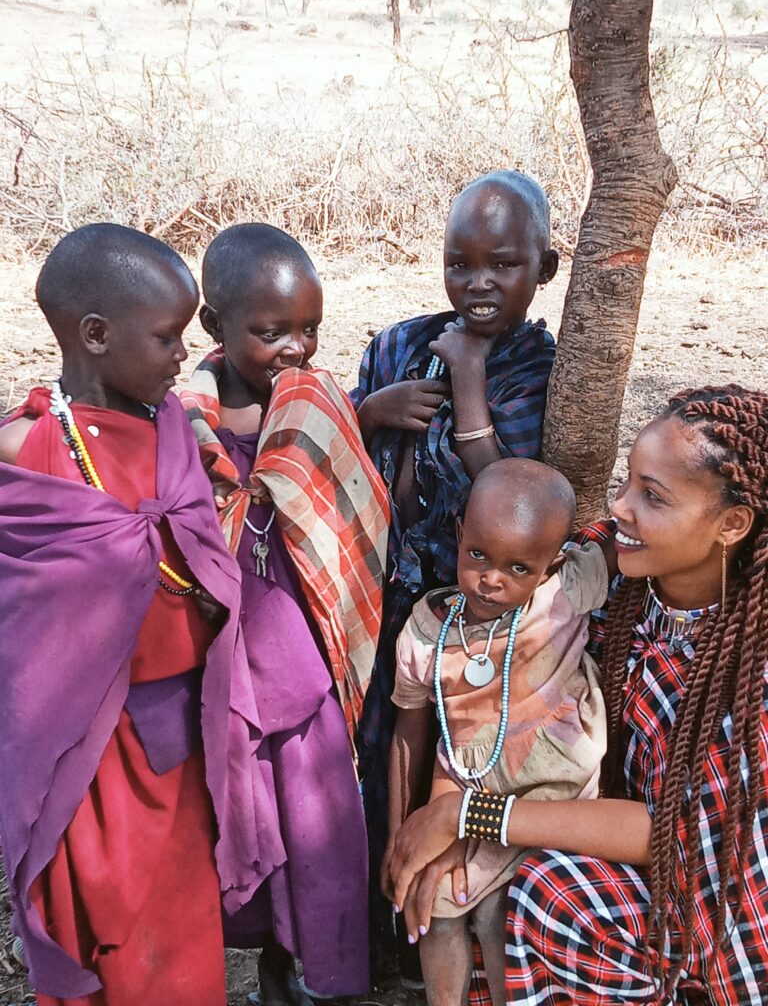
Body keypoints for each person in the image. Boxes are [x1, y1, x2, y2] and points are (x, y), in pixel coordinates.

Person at [387, 385, 768, 1005]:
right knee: (475, 887)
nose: (620, 507)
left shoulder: (749, 669)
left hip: (707, 904)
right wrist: (439, 813)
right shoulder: (614, 581)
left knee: (543, 891)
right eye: (627, 482)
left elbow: (666, 831)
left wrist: (469, 814)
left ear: (731, 524)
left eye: (652, 496)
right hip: (611, 854)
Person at [0, 224, 284, 1006]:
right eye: (166, 337)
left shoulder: (171, 430)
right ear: (95, 336)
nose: (181, 354)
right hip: (82, 746)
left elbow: (203, 541)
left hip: (174, 731)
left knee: (175, 925)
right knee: (97, 908)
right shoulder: (27, 455)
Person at [349, 168, 559, 963]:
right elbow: (338, 453)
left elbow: (513, 499)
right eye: (458, 261)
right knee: (380, 762)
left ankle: (453, 936)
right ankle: (384, 930)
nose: (478, 283)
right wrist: (371, 413)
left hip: (484, 622)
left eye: (503, 264)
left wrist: (469, 387)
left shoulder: (544, 373)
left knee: (464, 769)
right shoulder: (401, 343)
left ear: (544, 265)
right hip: (387, 606)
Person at [179, 223, 390, 1004]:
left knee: (320, 835)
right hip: (225, 678)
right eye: (272, 333)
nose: (296, 348)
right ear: (214, 326)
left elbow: (354, 517)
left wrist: (370, 411)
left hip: (307, 673)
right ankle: (266, 954)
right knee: (246, 823)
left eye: (310, 329)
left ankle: (314, 973)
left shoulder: (319, 403)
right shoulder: (183, 423)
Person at [384, 458, 608, 1006]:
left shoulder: (563, 596)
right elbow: (407, 734)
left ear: (551, 564)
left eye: (519, 568)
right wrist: (398, 834)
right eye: (478, 554)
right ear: (460, 533)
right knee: (436, 900)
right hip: (472, 789)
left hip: (556, 792)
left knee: (496, 913)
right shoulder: (426, 635)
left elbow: (625, 540)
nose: (492, 578)